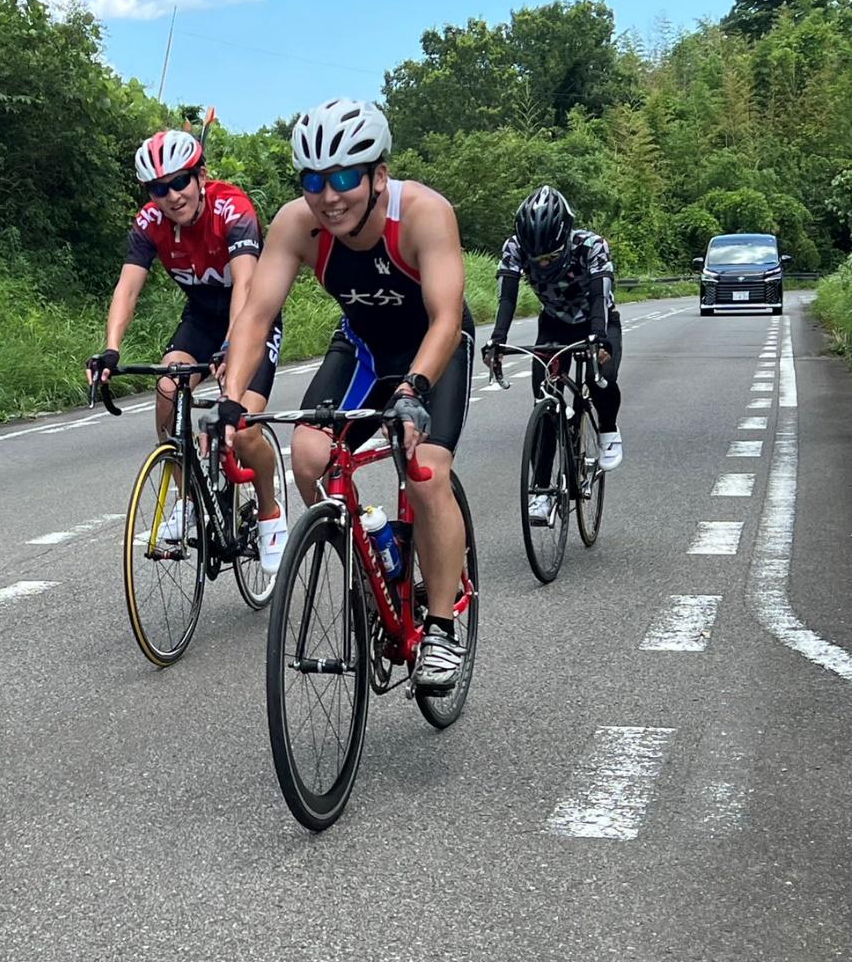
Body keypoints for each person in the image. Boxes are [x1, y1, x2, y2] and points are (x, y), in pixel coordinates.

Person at [211, 99, 476, 689]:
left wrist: (415, 388)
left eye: (346, 178)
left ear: (379, 175)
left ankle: (439, 626)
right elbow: (255, 317)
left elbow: (446, 316)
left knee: (426, 468)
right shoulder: (296, 224)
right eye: (314, 180)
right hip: (362, 347)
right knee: (307, 455)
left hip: (434, 349)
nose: (329, 197)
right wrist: (232, 399)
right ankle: (372, 560)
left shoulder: (426, 213)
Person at [85, 129, 288, 573]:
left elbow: (248, 289)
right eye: (160, 188)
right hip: (201, 318)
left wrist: (234, 347)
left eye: (180, 182)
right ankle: (190, 500)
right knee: (166, 389)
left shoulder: (232, 209)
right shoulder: (149, 224)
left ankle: (271, 513)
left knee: (246, 428)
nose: (172, 195)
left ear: (201, 176)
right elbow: (128, 288)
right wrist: (111, 348)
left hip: (251, 316)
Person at [484, 185, 624, 528]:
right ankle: (543, 492)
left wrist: (599, 339)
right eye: (537, 259)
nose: (543, 264)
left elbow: (598, 296)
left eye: (550, 256)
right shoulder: (515, 248)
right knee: (544, 402)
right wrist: (498, 341)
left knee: (600, 377)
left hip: (598, 321)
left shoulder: (591, 247)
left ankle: (607, 429)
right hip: (554, 326)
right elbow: (507, 297)